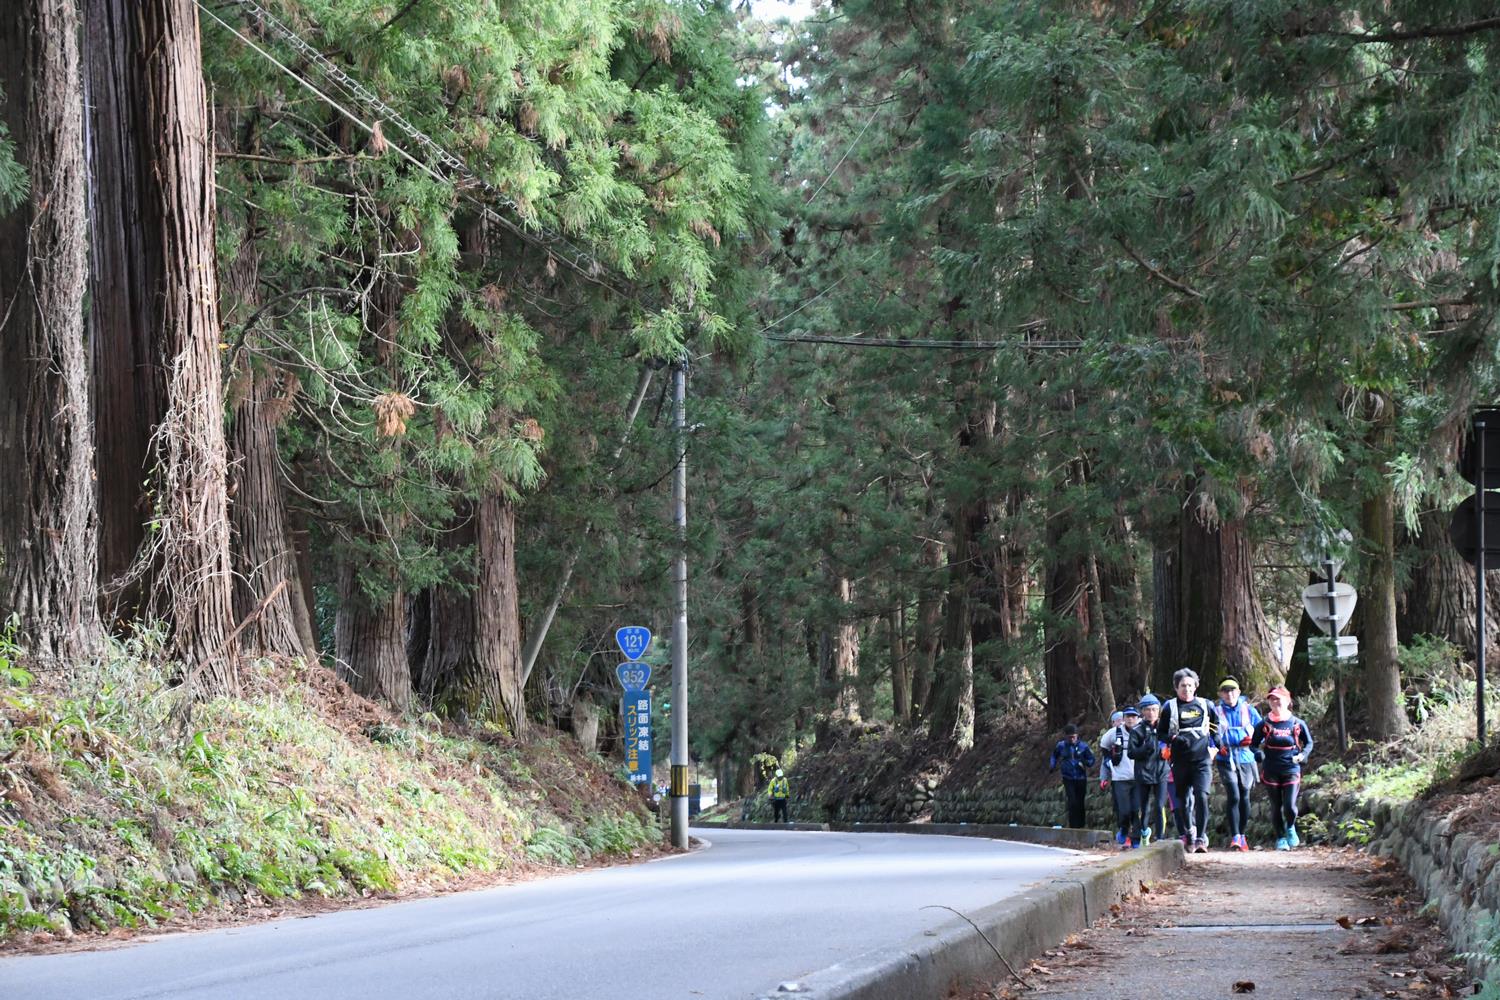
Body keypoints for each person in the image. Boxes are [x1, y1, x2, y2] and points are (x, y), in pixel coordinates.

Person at [1157, 668, 1215, 853]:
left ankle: (1200, 838)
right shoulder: (1169, 707)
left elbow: (1216, 726)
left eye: (1190, 685)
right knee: (1183, 801)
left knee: (1202, 795)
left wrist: (1215, 744)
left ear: (1196, 686)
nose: (1187, 689)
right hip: (1180, 760)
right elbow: (1161, 732)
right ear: (1176, 687)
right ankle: (1189, 831)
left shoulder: (1206, 705)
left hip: (1202, 759)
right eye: (1183, 686)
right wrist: (1173, 739)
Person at [1253, 686, 1315, 850]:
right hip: (1271, 769)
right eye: (1271, 699)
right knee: (1276, 805)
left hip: (1291, 769)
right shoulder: (1263, 724)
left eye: (1278, 698)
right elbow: (1252, 745)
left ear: (1288, 701)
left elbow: (1309, 743)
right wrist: (1258, 754)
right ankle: (1280, 838)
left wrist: (1303, 756)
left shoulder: (1297, 723)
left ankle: (1290, 827)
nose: (1275, 702)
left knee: (1289, 805)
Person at [1213, 678, 1262, 852]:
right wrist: (1218, 746)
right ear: (1220, 694)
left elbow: (1262, 729)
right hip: (1226, 758)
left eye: (1232, 690)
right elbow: (1209, 732)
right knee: (1233, 795)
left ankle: (1242, 835)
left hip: (1246, 756)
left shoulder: (1248, 710)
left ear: (1239, 692)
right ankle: (1234, 836)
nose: (1229, 694)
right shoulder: (1216, 711)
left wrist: (1254, 741)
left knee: (1245, 795)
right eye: (1225, 691)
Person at [1129, 695, 1169, 845]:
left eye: (1154, 709)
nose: (1151, 713)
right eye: (1147, 709)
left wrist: (1168, 751)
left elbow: (1173, 743)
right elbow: (1131, 753)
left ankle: (1160, 838)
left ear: (1159, 710)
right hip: (1143, 774)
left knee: (1159, 806)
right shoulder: (1137, 730)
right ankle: (1144, 833)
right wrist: (1144, 749)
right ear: (1142, 712)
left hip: (1161, 773)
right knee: (1144, 807)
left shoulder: (1164, 728)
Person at [1101, 706, 1140, 848]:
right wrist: (1109, 762)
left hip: (1138, 777)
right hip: (1120, 778)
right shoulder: (1114, 733)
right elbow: (1104, 746)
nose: (1131, 719)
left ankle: (1136, 839)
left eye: (1134, 716)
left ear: (1138, 718)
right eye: (1128, 716)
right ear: (1123, 718)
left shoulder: (1141, 731)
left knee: (1136, 810)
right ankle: (1123, 829)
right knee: (1123, 811)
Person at [1049, 724, 1096, 828]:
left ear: (1077, 736)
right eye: (1069, 737)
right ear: (1066, 736)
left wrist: (1085, 762)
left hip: (1081, 778)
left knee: (1080, 801)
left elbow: (1092, 760)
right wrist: (1052, 765)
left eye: (1073, 737)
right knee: (1072, 801)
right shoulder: (1061, 746)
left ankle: (1081, 825)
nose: (1072, 739)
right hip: (1068, 777)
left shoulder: (1083, 746)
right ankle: (1073, 826)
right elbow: (1054, 755)